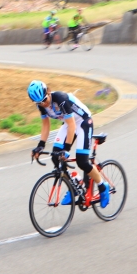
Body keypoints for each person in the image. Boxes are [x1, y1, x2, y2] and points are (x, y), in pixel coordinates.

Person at [27, 80, 110, 208]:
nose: (43, 103)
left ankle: (102, 186)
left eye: (44, 99)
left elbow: (72, 126)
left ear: (48, 92)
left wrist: (66, 149)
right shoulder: (41, 105)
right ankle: (75, 183)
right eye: (39, 103)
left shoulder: (61, 99)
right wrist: (40, 145)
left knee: (82, 162)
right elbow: (45, 125)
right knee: (55, 156)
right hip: (68, 123)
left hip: (83, 122)